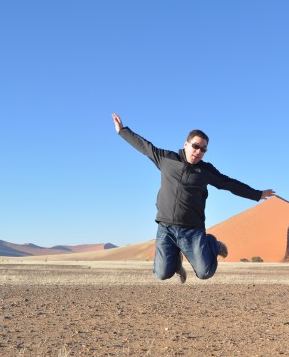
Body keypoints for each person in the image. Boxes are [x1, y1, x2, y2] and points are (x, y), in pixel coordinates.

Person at [111, 113, 275, 283]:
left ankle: (212, 244)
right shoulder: (166, 159)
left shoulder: (206, 170)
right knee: (161, 274)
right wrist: (122, 131)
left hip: (192, 230)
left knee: (205, 273)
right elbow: (144, 146)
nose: (198, 152)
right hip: (166, 228)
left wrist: (257, 194)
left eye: (203, 149)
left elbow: (229, 183)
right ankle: (176, 263)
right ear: (186, 144)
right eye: (195, 146)